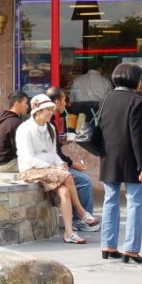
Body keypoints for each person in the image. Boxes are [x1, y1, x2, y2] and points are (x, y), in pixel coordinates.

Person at [15, 94, 98, 244]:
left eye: (51, 109)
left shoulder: (50, 128)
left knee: (64, 191)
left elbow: (53, 153)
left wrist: (60, 164)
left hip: (49, 170)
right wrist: (52, 167)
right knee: (68, 176)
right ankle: (81, 212)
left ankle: (69, 233)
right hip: (30, 170)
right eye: (47, 109)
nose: (50, 112)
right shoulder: (24, 129)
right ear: (37, 111)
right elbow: (28, 157)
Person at [98, 64, 142, 263]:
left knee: (110, 199)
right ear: (134, 80)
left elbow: (101, 127)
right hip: (130, 158)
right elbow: (137, 136)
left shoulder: (106, 99)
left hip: (108, 156)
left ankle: (108, 246)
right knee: (134, 202)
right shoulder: (136, 101)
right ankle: (131, 249)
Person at [45, 86, 100, 232]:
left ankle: (81, 216)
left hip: (52, 162)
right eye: (64, 101)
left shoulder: (50, 122)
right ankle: (79, 219)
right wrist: (72, 164)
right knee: (84, 180)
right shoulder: (46, 123)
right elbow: (53, 152)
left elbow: (53, 149)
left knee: (79, 178)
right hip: (45, 165)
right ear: (57, 102)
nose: (66, 104)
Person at [0, 90, 29, 173]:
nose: (27, 106)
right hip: (7, 164)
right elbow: (20, 149)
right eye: (25, 103)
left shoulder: (1, 119)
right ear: (17, 104)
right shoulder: (15, 122)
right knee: (41, 167)